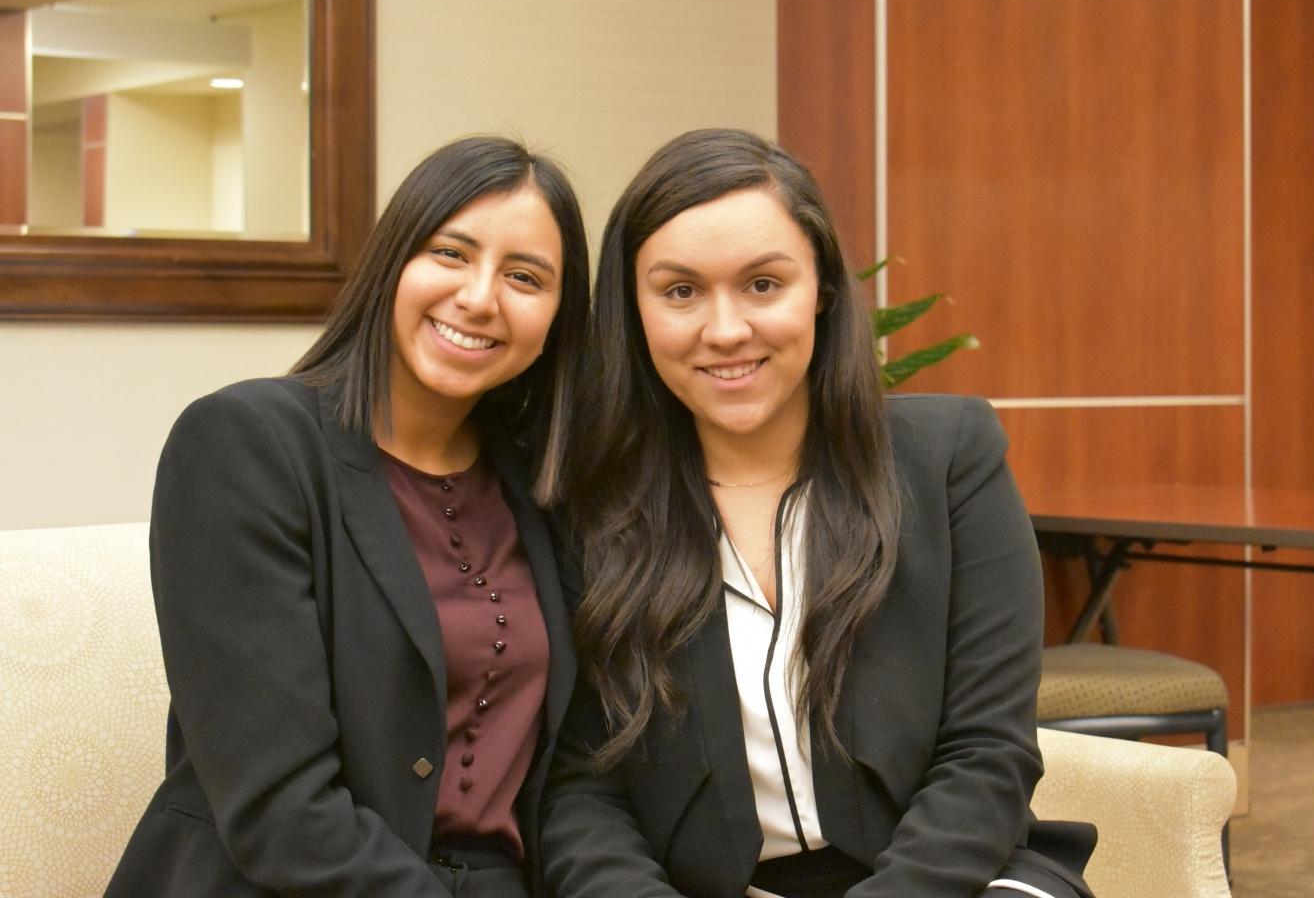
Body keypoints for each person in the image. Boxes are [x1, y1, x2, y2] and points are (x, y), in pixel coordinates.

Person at [541, 128, 1095, 898]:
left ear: (823, 289)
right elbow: (579, 787)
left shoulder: (946, 461)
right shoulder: (589, 510)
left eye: (764, 284)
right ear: (632, 313)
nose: (726, 329)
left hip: (953, 883)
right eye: (680, 292)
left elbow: (986, 752)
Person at [105, 136, 589, 898]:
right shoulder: (247, 444)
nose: (480, 297)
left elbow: (572, 781)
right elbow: (281, 812)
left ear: (560, 316)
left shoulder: (546, 485)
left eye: (525, 276)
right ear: (393, 260)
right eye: (451, 253)